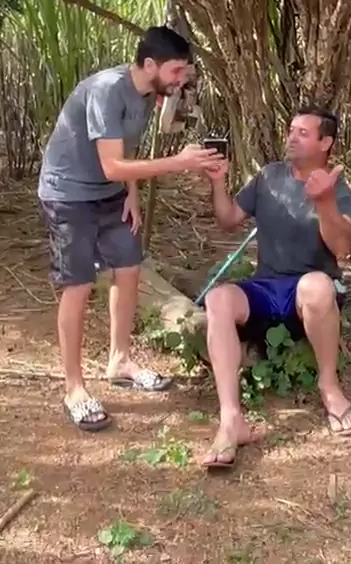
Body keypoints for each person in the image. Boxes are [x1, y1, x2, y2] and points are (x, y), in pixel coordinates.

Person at [38, 25, 223, 432]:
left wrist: (132, 195)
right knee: (78, 285)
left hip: (112, 194)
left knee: (129, 267)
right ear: (150, 64)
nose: (180, 81)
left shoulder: (149, 95)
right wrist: (180, 163)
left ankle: (119, 361)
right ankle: (74, 389)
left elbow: (128, 151)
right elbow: (111, 165)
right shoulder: (107, 90)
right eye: (176, 71)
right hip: (69, 194)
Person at [202, 105, 351, 468]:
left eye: (303, 133)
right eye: (291, 130)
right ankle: (231, 418)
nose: (291, 137)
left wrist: (324, 202)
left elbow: (341, 248)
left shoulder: (338, 188)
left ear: (325, 143)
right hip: (266, 288)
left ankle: (329, 386)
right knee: (218, 299)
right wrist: (217, 181)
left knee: (318, 286)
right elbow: (228, 219)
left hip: (308, 295)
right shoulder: (269, 176)